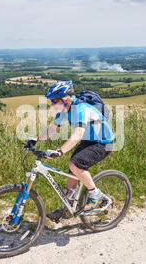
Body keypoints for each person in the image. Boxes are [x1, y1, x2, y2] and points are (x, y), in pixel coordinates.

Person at [30, 81, 115, 222]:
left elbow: (78, 134)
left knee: (75, 164)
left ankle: (95, 195)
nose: (52, 104)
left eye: (54, 100)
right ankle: (68, 208)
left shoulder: (81, 108)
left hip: (103, 142)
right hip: (89, 141)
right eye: (51, 101)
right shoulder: (65, 110)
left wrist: (60, 151)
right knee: (73, 170)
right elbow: (53, 128)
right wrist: (36, 139)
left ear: (66, 98)